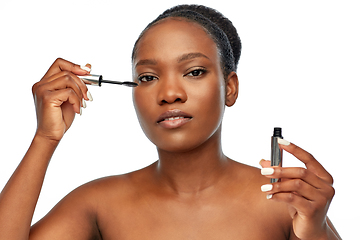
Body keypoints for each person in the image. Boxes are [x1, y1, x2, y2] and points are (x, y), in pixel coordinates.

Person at [0, 4, 341, 240]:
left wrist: (316, 231)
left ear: (230, 87)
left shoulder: (284, 205)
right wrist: (45, 139)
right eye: (148, 77)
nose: (169, 93)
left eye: (194, 72)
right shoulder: (98, 204)